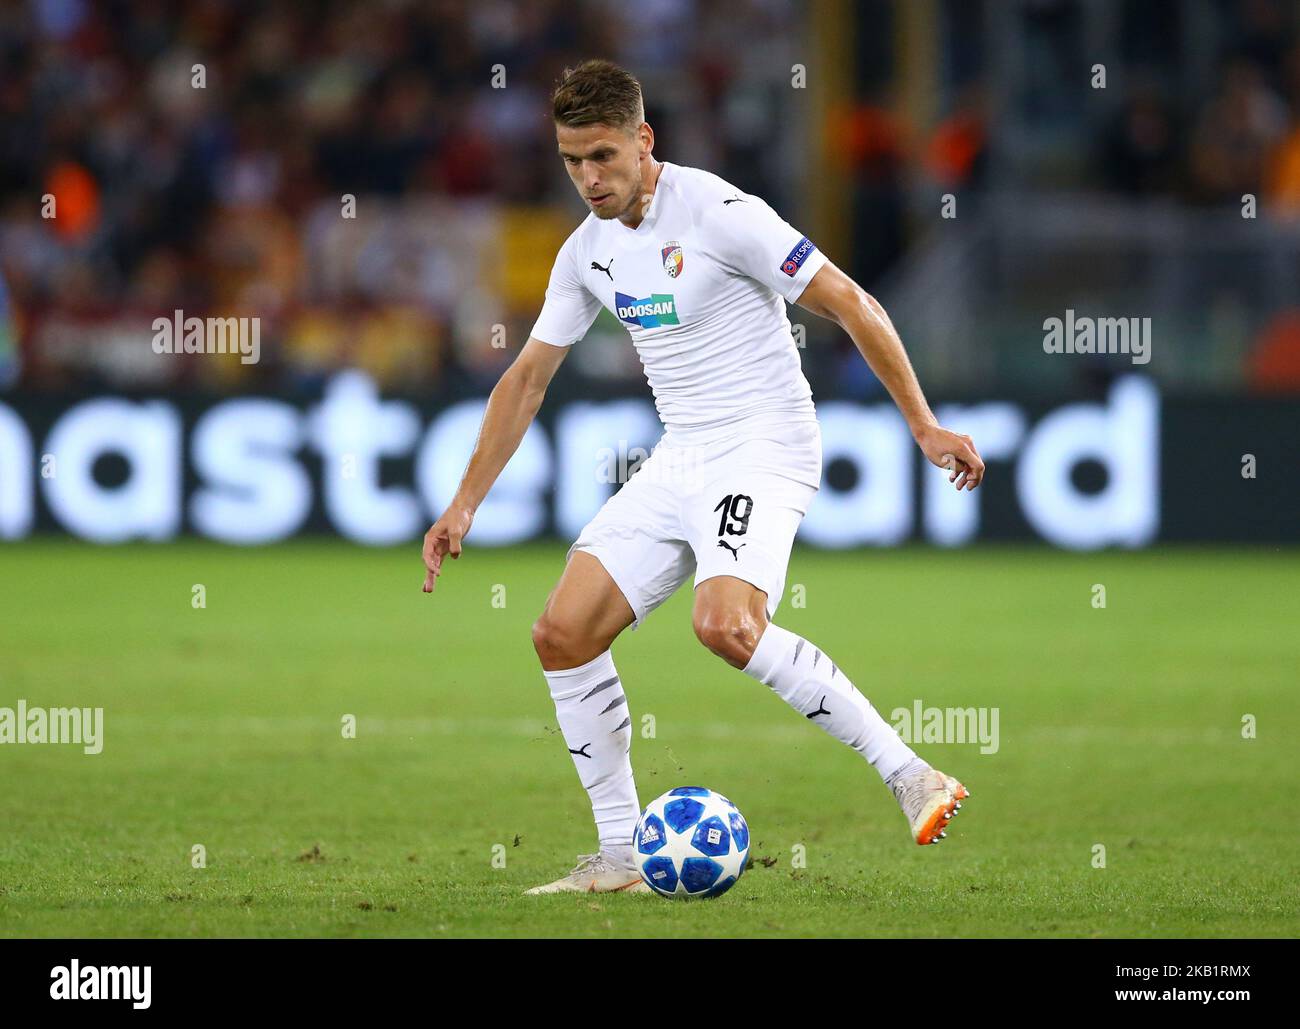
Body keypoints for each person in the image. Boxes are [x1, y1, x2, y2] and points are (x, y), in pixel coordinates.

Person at [422, 60, 984, 894]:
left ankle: (912, 775)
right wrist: (463, 503)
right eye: (572, 161)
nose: (588, 178)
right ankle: (620, 853)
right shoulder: (586, 253)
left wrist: (923, 422)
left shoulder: (722, 212)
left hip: (764, 444)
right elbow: (527, 378)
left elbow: (854, 302)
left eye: (603, 156)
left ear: (644, 140)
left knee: (724, 625)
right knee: (561, 633)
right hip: (682, 452)